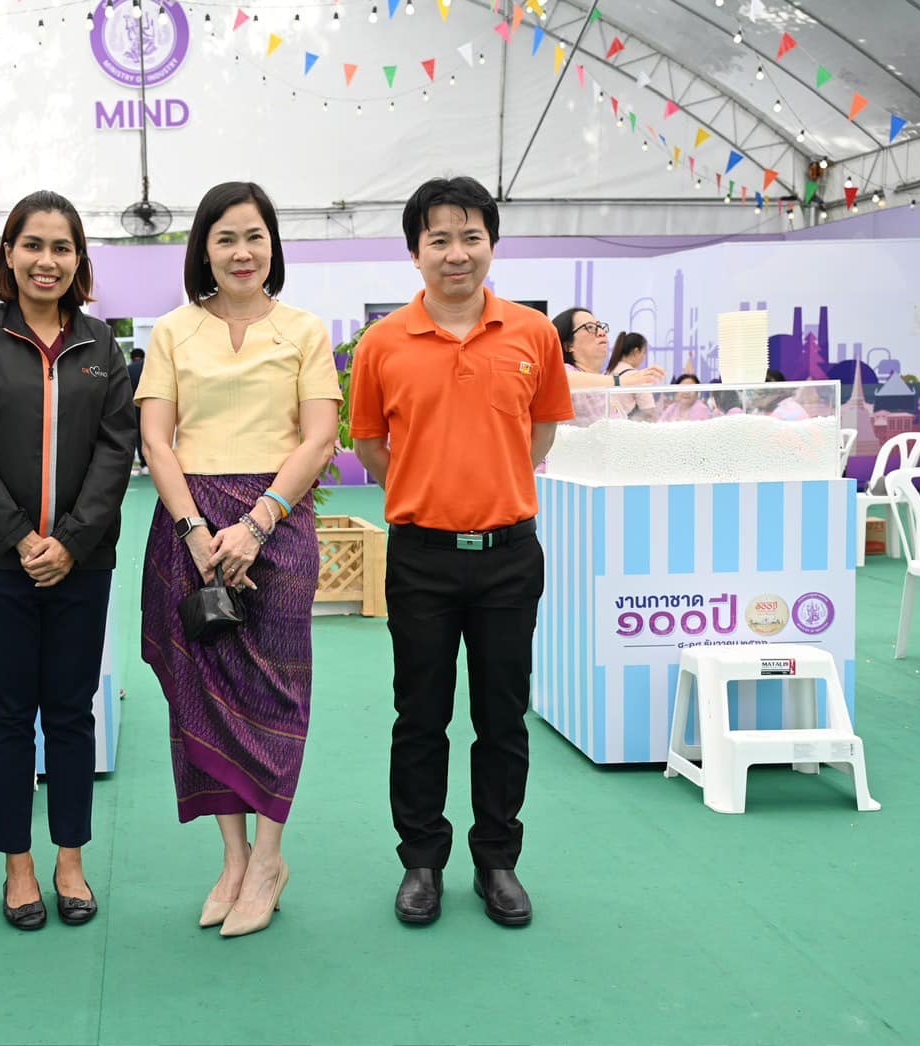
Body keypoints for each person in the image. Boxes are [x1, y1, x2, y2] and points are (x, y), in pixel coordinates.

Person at [350, 175, 574, 930]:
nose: (456, 253)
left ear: (491, 243)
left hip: (509, 555)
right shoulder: (382, 345)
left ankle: (497, 860)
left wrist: (487, 489)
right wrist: (432, 495)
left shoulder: (533, 336)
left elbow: (538, 436)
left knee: (503, 715)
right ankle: (421, 861)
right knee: (420, 715)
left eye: (470, 236)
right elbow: (374, 448)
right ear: (415, 250)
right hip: (420, 557)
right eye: (438, 238)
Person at [136, 181, 341, 938]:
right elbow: (157, 439)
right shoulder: (172, 332)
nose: (241, 252)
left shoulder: (303, 330)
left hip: (277, 525)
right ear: (204, 249)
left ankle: (270, 859)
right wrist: (195, 528)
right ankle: (232, 856)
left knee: (276, 694)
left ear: (273, 245)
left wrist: (256, 524)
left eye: (254, 236)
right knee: (200, 688)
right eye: (225, 238)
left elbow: (317, 437)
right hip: (186, 527)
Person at [0, 190, 134, 932]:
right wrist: (23, 539)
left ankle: (70, 857)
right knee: (9, 716)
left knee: (73, 714)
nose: (47, 260)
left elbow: (118, 452)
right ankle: (18, 865)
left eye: (62, 247)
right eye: (33, 245)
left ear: (79, 260)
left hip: (82, 565)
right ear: (9, 253)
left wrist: (73, 542)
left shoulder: (102, 346)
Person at [552, 308, 664, 423]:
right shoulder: (567, 372)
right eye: (590, 327)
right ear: (568, 345)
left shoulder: (602, 381)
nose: (601, 333)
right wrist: (624, 380)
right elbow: (562, 379)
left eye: (600, 327)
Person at [604, 332, 657, 421]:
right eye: (644, 353)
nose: (644, 357)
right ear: (636, 352)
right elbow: (649, 412)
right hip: (630, 430)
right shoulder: (637, 377)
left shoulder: (606, 374)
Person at [126, 348, 148, 471]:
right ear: (143, 357)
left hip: (134, 407)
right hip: (149, 406)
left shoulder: (128, 369)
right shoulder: (148, 367)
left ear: (132, 358)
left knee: (139, 436)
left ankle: (144, 464)